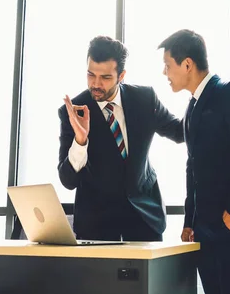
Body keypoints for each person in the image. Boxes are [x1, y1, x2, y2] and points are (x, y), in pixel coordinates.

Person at [159, 29, 230, 293]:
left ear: (187, 64)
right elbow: (192, 167)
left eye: (167, 65)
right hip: (205, 228)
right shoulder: (192, 107)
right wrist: (189, 221)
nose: (165, 73)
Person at [58, 35, 184, 242]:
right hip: (97, 228)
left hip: (146, 220)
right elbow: (68, 180)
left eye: (105, 77)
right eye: (91, 75)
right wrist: (80, 142)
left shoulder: (145, 99)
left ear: (121, 75)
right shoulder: (74, 111)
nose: (96, 84)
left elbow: (179, 132)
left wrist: (198, 92)